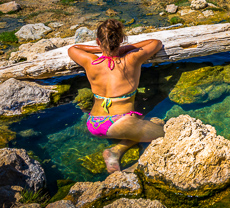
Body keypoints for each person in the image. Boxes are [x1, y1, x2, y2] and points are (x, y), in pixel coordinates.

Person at [68, 19, 165, 173]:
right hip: (119, 123)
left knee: (147, 120)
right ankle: (125, 159)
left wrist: (99, 47)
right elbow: (156, 43)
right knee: (167, 134)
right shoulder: (131, 58)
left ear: (98, 41)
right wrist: (125, 48)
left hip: (94, 122)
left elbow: (73, 49)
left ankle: (116, 152)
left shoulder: (90, 61)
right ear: (120, 39)